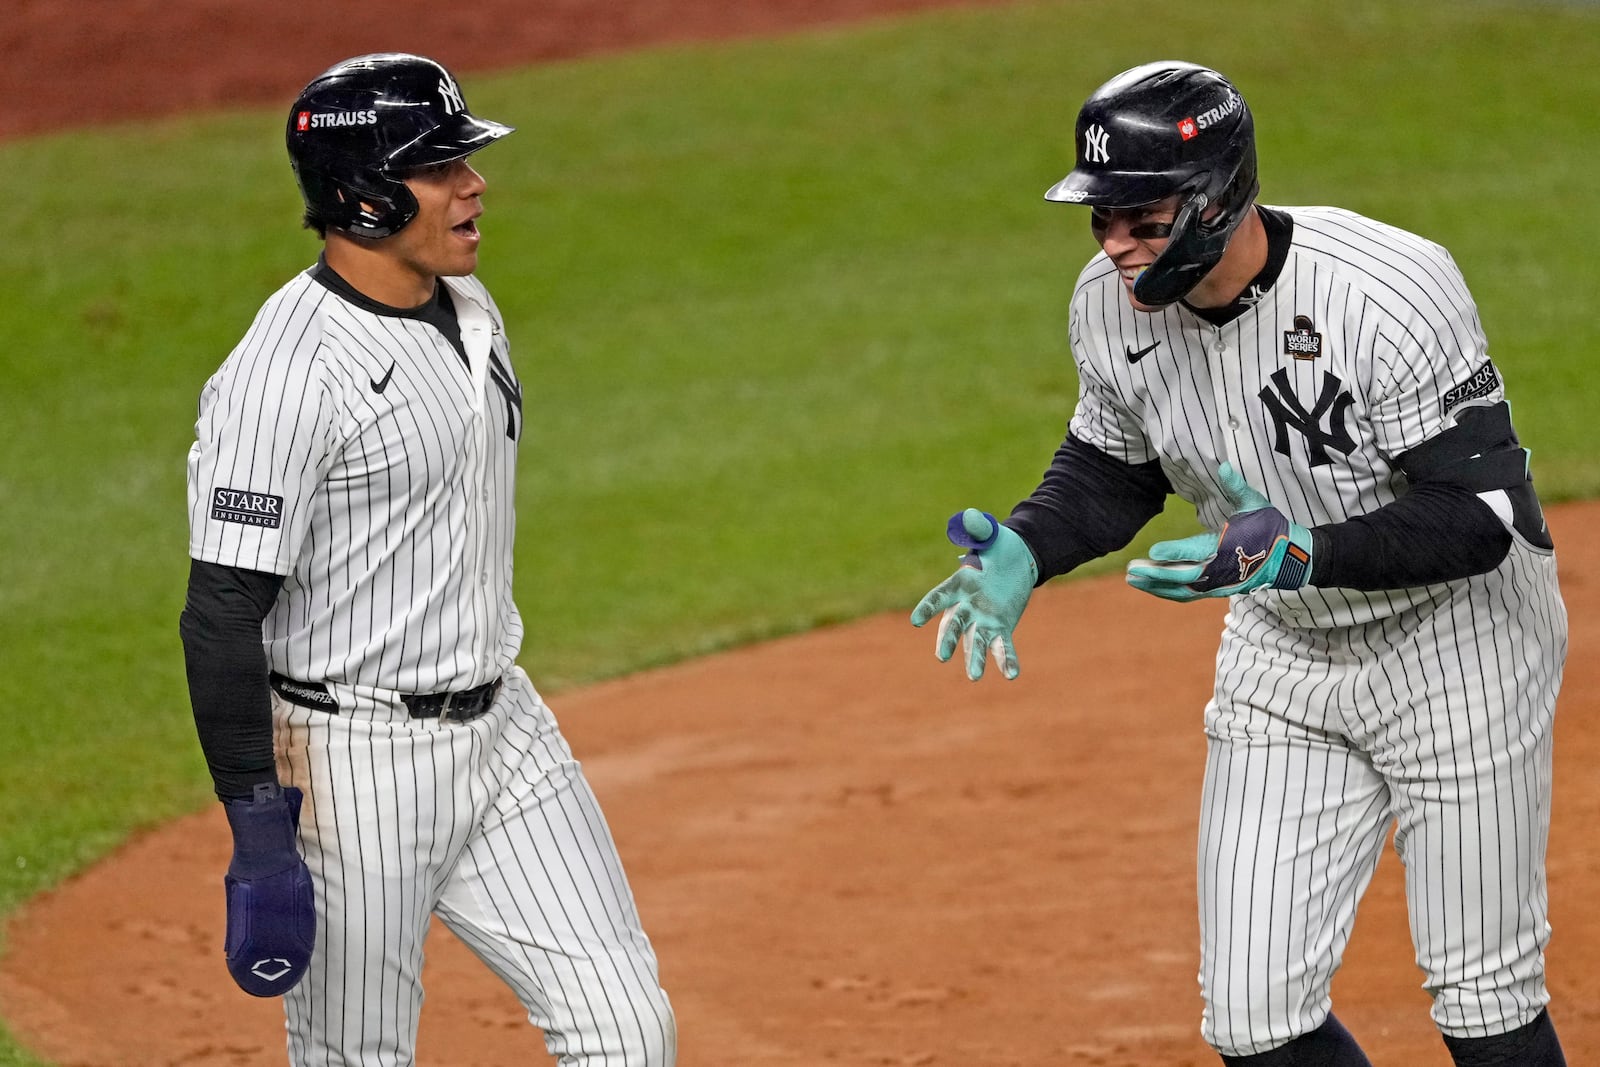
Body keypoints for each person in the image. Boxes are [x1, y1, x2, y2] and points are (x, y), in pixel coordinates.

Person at [911, 61, 1568, 1066]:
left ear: (1218, 195)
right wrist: (1029, 545)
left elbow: (1476, 517)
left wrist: (1302, 551)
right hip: (1285, 655)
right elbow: (1111, 465)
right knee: (1253, 1021)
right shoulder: (1107, 303)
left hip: (1459, 641)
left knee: (1482, 994)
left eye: (1141, 216)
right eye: (1100, 219)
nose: (1115, 245)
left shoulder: (1385, 289)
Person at [179, 53, 676, 1066]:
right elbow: (221, 609)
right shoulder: (284, 379)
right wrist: (261, 830)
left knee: (629, 1028)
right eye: (440, 165)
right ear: (362, 196)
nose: (473, 182)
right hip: (352, 762)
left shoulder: (471, 309)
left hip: (506, 733)